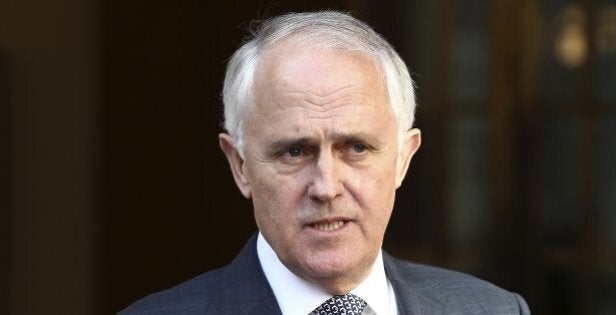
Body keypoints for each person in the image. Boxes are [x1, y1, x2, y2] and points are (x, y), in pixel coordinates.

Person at [120, 11, 530, 315]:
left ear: (404, 158)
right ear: (240, 165)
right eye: (294, 152)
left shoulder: (495, 310)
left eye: (356, 148)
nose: (326, 186)